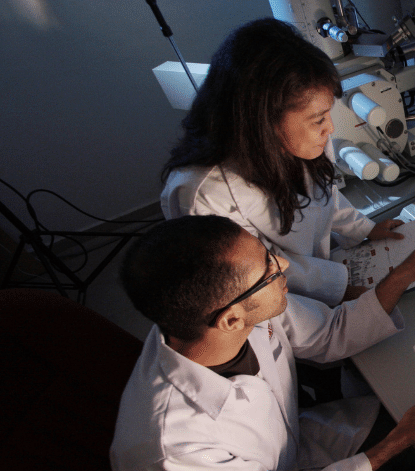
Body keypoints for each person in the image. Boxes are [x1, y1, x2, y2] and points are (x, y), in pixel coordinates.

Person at [111, 215, 415, 471]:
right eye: (268, 270)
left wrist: (403, 273)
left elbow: (329, 332)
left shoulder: (235, 311)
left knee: (409, 414)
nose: (283, 266)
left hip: (290, 448)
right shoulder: (172, 447)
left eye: (268, 254)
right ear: (230, 320)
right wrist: (395, 442)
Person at [161, 17, 402, 307]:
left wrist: (365, 229)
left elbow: (327, 199)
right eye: (318, 120)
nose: (330, 130)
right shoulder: (203, 194)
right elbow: (262, 270)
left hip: (321, 276)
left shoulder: (306, 142)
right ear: (264, 121)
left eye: (328, 114)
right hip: (274, 304)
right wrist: (340, 290)